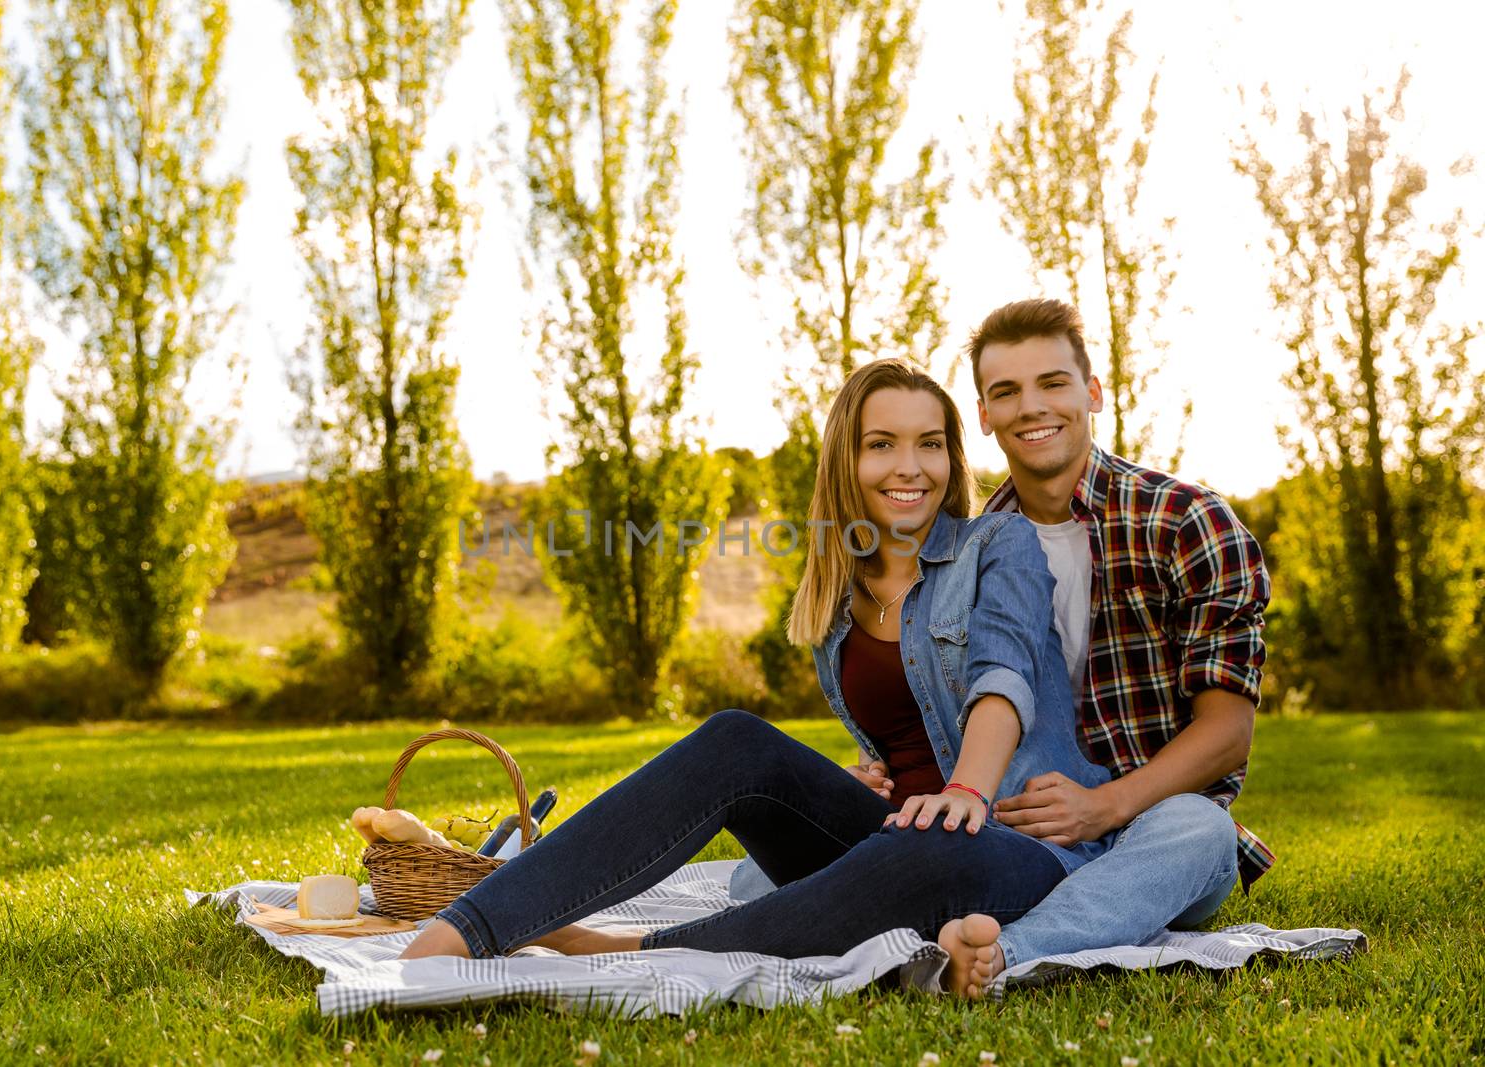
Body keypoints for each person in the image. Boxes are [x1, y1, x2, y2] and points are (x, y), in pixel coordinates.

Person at [399, 357, 1113, 998]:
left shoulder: (998, 541)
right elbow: (903, 731)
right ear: (846, 460)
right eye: (882, 444)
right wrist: (861, 778)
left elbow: (1003, 674)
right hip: (895, 836)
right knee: (738, 741)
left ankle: (629, 947)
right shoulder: (839, 598)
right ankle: (469, 925)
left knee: (930, 843)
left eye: (931, 443)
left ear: (952, 457)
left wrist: (964, 790)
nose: (912, 466)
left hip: (1010, 845)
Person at [732, 298, 1274, 998]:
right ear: (983, 415)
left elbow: (1228, 734)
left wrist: (1103, 805)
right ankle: (962, 917)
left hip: (1143, 823)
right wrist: (874, 772)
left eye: (1052, 382)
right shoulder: (968, 545)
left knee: (1199, 831)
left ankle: (1000, 951)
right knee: (754, 872)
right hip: (1008, 830)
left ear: (1092, 392)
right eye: (1005, 391)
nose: (1031, 407)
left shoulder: (1185, 522)